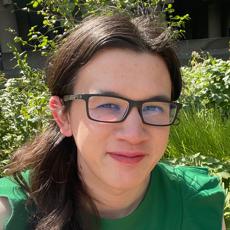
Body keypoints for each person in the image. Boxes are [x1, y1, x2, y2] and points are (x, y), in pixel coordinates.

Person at [0, 14, 226, 230]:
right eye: (107, 105)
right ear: (63, 116)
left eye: (154, 107)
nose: (134, 134)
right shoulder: (9, 214)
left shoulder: (198, 205)